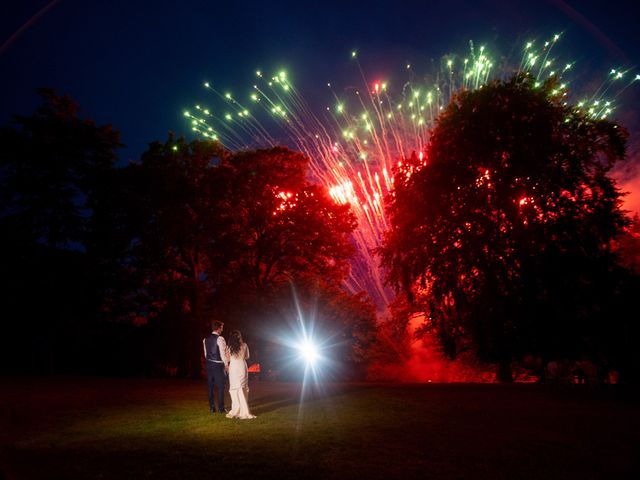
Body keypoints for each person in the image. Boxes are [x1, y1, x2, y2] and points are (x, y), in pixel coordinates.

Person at [225, 330, 256, 419]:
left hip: (233, 367)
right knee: (242, 388)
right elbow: (247, 356)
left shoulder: (229, 347)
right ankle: (243, 410)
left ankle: (236, 409)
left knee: (234, 389)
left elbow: (227, 359)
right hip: (241, 366)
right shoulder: (244, 345)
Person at [203, 321, 229, 413]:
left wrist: (209, 362)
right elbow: (223, 353)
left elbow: (206, 354)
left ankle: (211, 407)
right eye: (222, 327)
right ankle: (221, 408)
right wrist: (226, 365)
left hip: (209, 365)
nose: (222, 329)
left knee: (210, 386)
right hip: (218, 365)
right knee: (221, 387)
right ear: (218, 328)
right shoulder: (220, 339)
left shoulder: (205, 339)